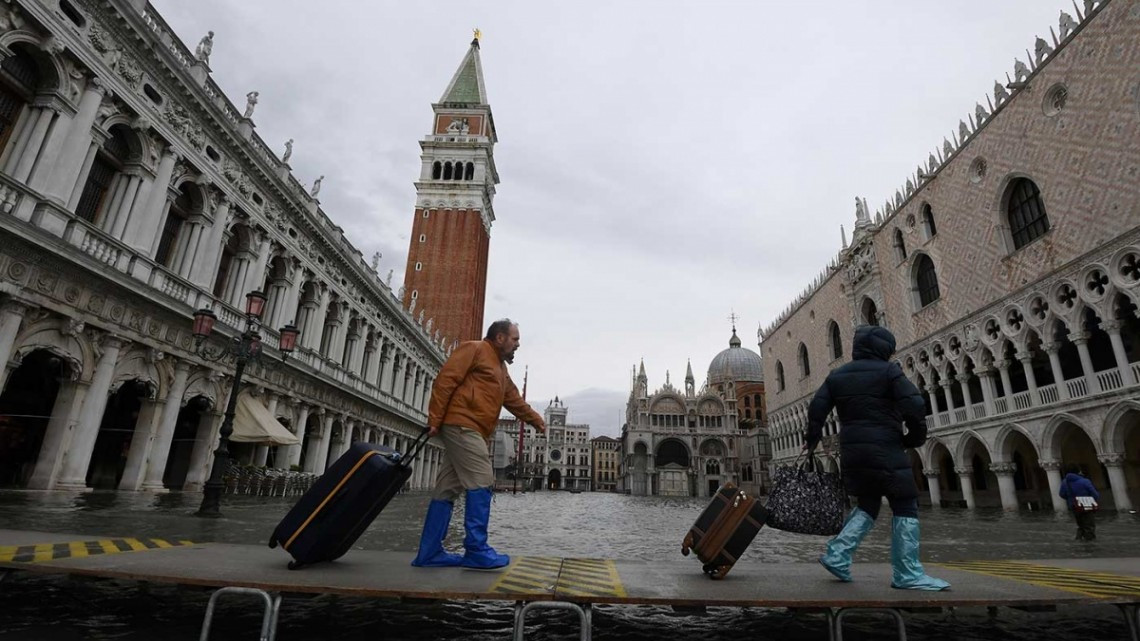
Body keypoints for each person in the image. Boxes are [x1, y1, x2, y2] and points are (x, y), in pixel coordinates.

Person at [805, 325, 949, 591]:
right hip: (886, 447)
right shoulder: (889, 372)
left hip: (852, 451)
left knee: (868, 504)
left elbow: (817, 410)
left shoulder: (837, 375)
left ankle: (837, 555)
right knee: (905, 504)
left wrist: (812, 441)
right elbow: (915, 404)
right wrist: (914, 437)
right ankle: (907, 573)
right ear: (884, 349)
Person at [411, 319, 546, 569]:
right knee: (483, 481)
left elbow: (514, 400)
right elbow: (445, 380)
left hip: (472, 428)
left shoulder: (501, 369)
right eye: (515, 339)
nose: (518, 344)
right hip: (463, 424)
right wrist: (435, 419)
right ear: (500, 338)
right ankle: (476, 549)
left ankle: (428, 553)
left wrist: (536, 420)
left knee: (447, 489)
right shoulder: (474, 349)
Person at [1058, 465, 1100, 541]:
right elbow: (1095, 494)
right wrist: (1091, 500)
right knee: (1089, 525)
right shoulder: (1085, 481)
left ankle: (1079, 541)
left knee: (1080, 525)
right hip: (1087, 506)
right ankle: (1089, 544)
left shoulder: (1065, 482)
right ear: (1078, 471)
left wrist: (1071, 500)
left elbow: (1062, 494)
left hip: (1074, 506)